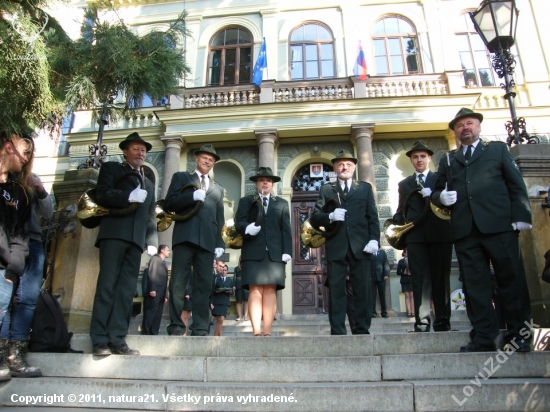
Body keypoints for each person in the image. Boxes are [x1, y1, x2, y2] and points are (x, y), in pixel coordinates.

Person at [432, 108, 532, 352]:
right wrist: (441, 197)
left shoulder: (496, 150)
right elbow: (435, 192)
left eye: (470, 123)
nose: (465, 128)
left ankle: (519, 336)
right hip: (466, 231)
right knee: (475, 287)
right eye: (460, 125)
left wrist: (521, 215)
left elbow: (515, 184)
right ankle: (483, 337)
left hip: (500, 226)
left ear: (478, 127)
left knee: (511, 280)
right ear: (455, 131)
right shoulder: (447, 159)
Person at [90, 132, 158, 356]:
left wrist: (151, 241)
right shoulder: (112, 169)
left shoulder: (148, 181)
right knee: (107, 286)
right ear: (125, 151)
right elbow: (102, 194)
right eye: (136, 149)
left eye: (144, 150)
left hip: (136, 240)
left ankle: (117, 339)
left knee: (126, 291)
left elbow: (150, 215)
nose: (141, 153)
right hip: (114, 234)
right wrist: (127, 196)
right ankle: (99, 339)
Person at [310, 150, 380, 335]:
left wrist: (374, 239)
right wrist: (330, 216)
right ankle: (338, 330)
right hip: (336, 245)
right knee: (336, 290)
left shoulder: (364, 188)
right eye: (340, 164)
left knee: (363, 289)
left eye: (348, 164)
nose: (344, 167)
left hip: (361, 246)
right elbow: (315, 217)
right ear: (335, 168)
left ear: (354, 167)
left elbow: (372, 217)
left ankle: (362, 328)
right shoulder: (327, 189)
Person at [165, 144, 225, 336]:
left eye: (211, 159)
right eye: (204, 157)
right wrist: (190, 196)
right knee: (177, 284)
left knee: (204, 286)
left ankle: (200, 327)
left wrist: (219, 244)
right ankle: (176, 326)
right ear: (197, 158)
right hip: (185, 237)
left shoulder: (217, 189)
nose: (208, 161)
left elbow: (220, 218)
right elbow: (169, 203)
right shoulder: (181, 177)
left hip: (207, 243)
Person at [393, 140, 453, 332]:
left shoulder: (438, 179)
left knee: (440, 278)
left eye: (422, 156)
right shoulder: (404, 184)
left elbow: (449, 205)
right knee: (419, 279)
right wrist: (394, 226)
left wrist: (434, 195)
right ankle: (422, 322)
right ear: (410, 160)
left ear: (428, 158)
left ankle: (443, 321)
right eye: (415, 157)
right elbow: (401, 209)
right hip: (415, 238)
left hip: (440, 235)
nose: (419, 160)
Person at [0, 171, 52, 378]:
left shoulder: (31, 181)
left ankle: (16, 354)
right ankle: (2, 355)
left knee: (28, 300)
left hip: (33, 242)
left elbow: (48, 212)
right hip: (10, 241)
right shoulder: (5, 180)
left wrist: (40, 189)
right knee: (4, 299)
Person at [235, 167, 292, 336]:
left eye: (268, 180)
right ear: (256, 183)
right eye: (261, 180)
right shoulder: (247, 201)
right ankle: (256, 332)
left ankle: (267, 331)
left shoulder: (281, 203)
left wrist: (287, 250)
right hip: (252, 252)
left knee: (270, 290)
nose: (265, 182)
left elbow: (286, 229)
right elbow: (239, 223)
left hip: (275, 254)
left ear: (272, 183)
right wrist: (247, 228)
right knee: (255, 290)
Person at [0, 132, 33, 380]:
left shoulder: (18, 192)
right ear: (9, 148)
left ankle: (5, 359)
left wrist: (13, 268)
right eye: (25, 151)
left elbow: (19, 235)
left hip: (4, 267)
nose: (27, 158)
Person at [141, 244, 170, 335]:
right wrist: (152, 289)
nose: (169, 252)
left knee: (158, 314)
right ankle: (146, 332)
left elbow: (165, 280)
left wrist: (165, 295)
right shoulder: (155, 259)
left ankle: (154, 332)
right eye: (167, 250)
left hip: (161, 293)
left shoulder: (163, 263)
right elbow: (152, 274)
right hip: (155, 291)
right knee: (151, 311)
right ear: (162, 250)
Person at [211, 263, 233, 336]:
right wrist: (218, 290)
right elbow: (213, 289)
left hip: (225, 301)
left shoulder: (229, 280)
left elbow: (232, 291)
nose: (224, 271)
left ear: (227, 271)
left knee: (221, 320)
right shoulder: (216, 278)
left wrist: (230, 291)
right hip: (217, 301)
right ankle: (220, 337)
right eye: (223, 270)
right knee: (218, 320)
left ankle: (214, 336)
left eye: (225, 270)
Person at [370, 248, 390, 318]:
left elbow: (386, 263)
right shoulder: (369, 252)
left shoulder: (382, 253)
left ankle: (384, 312)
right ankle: (372, 312)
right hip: (371, 277)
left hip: (381, 277)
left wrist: (386, 274)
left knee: (382, 295)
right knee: (372, 296)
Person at [396, 249, 414, 317]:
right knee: (407, 296)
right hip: (404, 280)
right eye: (406, 252)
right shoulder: (401, 261)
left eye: (408, 252)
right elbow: (398, 272)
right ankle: (409, 311)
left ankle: (413, 311)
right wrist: (403, 273)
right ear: (404, 253)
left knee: (412, 296)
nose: (407, 253)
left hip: (412, 280)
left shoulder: (413, 260)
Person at [234, 257, 249, 321]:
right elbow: (234, 277)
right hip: (238, 286)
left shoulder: (247, 267)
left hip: (246, 285)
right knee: (238, 301)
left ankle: (245, 316)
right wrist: (234, 285)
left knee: (246, 300)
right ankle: (239, 316)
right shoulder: (236, 268)